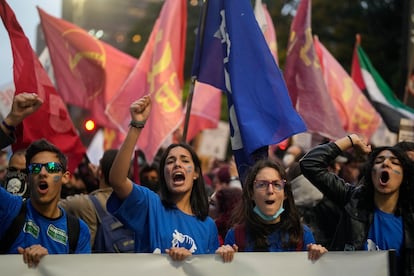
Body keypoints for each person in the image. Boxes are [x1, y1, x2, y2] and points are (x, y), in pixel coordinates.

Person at [107, 95, 236, 262]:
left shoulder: (208, 226)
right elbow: (117, 180)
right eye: (170, 161)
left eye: (184, 160)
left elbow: (208, 269)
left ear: (196, 173)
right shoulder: (150, 205)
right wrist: (136, 126)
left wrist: (226, 256)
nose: (177, 164)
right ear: (164, 174)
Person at [300, 134, 414, 275]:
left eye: (395, 163)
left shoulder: (410, 217)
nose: (386, 164)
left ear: (404, 176)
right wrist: (351, 140)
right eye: (379, 161)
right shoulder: (353, 199)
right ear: (370, 173)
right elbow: (310, 164)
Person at [0, 139, 90, 267]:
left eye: (52, 167)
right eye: (35, 168)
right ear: (28, 177)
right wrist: (8, 125)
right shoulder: (11, 208)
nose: (42, 173)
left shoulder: (78, 230)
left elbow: (83, 272)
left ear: (65, 177)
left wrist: (49, 263)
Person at [224, 159, 327, 261]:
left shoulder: (302, 234)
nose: (270, 190)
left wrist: (318, 257)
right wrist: (226, 259)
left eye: (277, 184)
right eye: (262, 184)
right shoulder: (236, 236)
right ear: (251, 193)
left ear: (285, 194)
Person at [60, 149, 120, 247]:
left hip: (96, 261)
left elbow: (52, 205)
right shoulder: (134, 201)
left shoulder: (84, 203)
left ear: (100, 172)